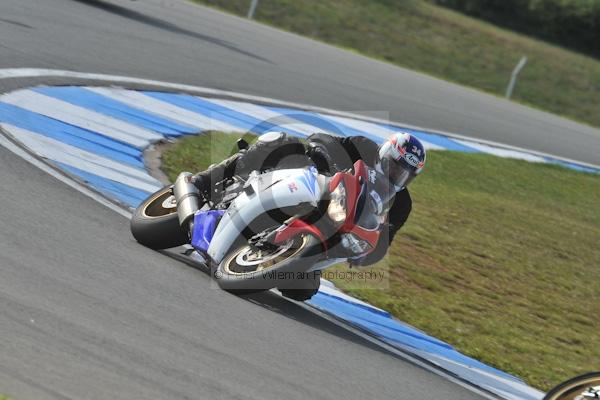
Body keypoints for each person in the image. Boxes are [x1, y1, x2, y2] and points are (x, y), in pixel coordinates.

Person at [181, 131, 426, 266]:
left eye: (405, 174)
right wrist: (331, 168)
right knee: (278, 141)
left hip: (331, 231)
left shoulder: (401, 204)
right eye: (395, 167)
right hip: (310, 185)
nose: (397, 176)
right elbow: (321, 139)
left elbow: (384, 241)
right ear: (385, 154)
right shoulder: (364, 148)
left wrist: (364, 255)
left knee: (301, 289)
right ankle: (205, 179)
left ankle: (274, 257)